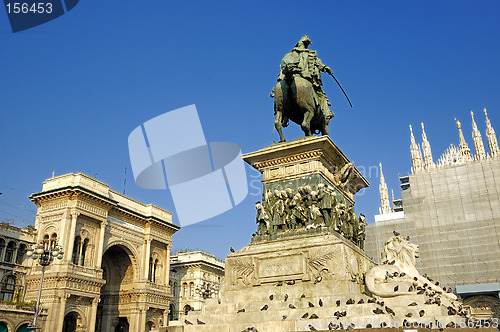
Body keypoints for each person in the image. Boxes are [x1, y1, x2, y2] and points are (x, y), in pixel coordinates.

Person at [276, 35, 334, 122]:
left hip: (289, 78)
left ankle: (283, 117)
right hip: (306, 79)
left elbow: (284, 65)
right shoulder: (310, 54)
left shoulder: (289, 54)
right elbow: (319, 65)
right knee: (322, 97)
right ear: (306, 45)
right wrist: (326, 68)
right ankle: (326, 114)